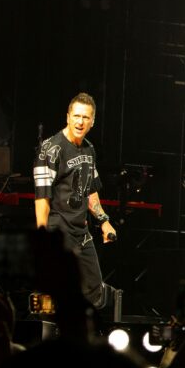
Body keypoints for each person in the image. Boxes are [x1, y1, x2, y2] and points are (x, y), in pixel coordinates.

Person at [33, 92, 117, 308]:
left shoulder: (90, 149)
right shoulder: (50, 150)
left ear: (92, 121)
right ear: (68, 117)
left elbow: (91, 190)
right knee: (57, 293)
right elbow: (42, 198)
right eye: (77, 116)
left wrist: (104, 221)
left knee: (94, 291)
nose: (80, 122)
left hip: (81, 232)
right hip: (59, 230)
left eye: (85, 117)